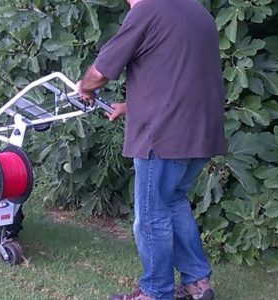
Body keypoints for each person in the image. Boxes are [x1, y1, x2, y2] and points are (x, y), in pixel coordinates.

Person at [76, 0, 226, 299]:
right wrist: (129, 106)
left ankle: (155, 292)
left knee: (151, 215)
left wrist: (86, 87)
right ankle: (198, 282)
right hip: (202, 132)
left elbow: (102, 71)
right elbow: (181, 77)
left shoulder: (148, 10)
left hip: (165, 137)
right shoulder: (196, 11)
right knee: (173, 201)